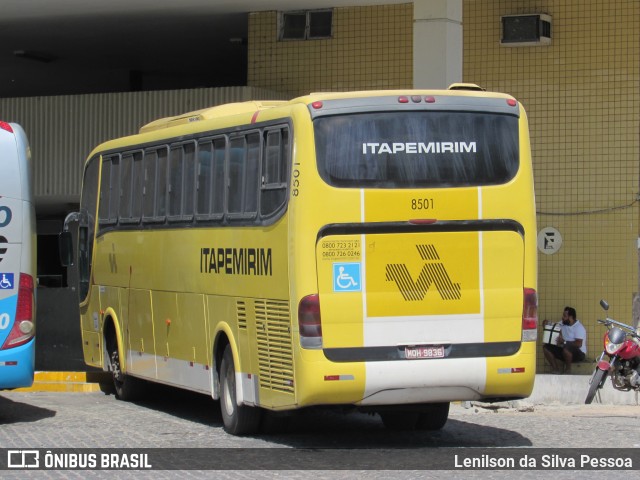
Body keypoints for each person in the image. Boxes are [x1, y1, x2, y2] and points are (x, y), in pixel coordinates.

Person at [542, 307, 587, 374]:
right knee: (546, 347)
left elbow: (579, 344)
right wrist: (545, 323)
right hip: (564, 351)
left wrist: (564, 342)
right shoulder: (562, 323)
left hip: (579, 354)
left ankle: (568, 370)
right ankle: (555, 369)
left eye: (564, 316)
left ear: (570, 317)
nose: (562, 317)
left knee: (566, 347)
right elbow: (552, 326)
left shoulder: (579, 327)